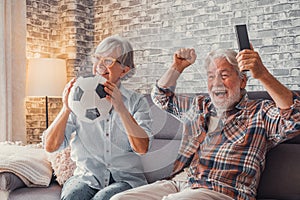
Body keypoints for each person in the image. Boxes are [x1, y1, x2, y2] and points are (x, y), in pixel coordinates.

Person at [111, 45, 300, 200]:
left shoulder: (260, 112)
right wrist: (177, 67)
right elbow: (161, 97)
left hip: (223, 190)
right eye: (211, 76)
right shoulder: (200, 105)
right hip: (182, 183)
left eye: (224, 75)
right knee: (119, 199)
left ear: (242, 81)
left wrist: (262, 75)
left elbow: (294, 117)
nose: (216, 83)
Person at [43, 35, 152, 200]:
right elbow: (50, 147)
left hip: (125, 180)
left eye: (108, 60)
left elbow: (142, 148)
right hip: (86, 177)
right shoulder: (79, 98)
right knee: (73, 196)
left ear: (124, 70)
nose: (99, 65)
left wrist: (121, 109)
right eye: (97, 59)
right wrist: (66, 108)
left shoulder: (137, 102)